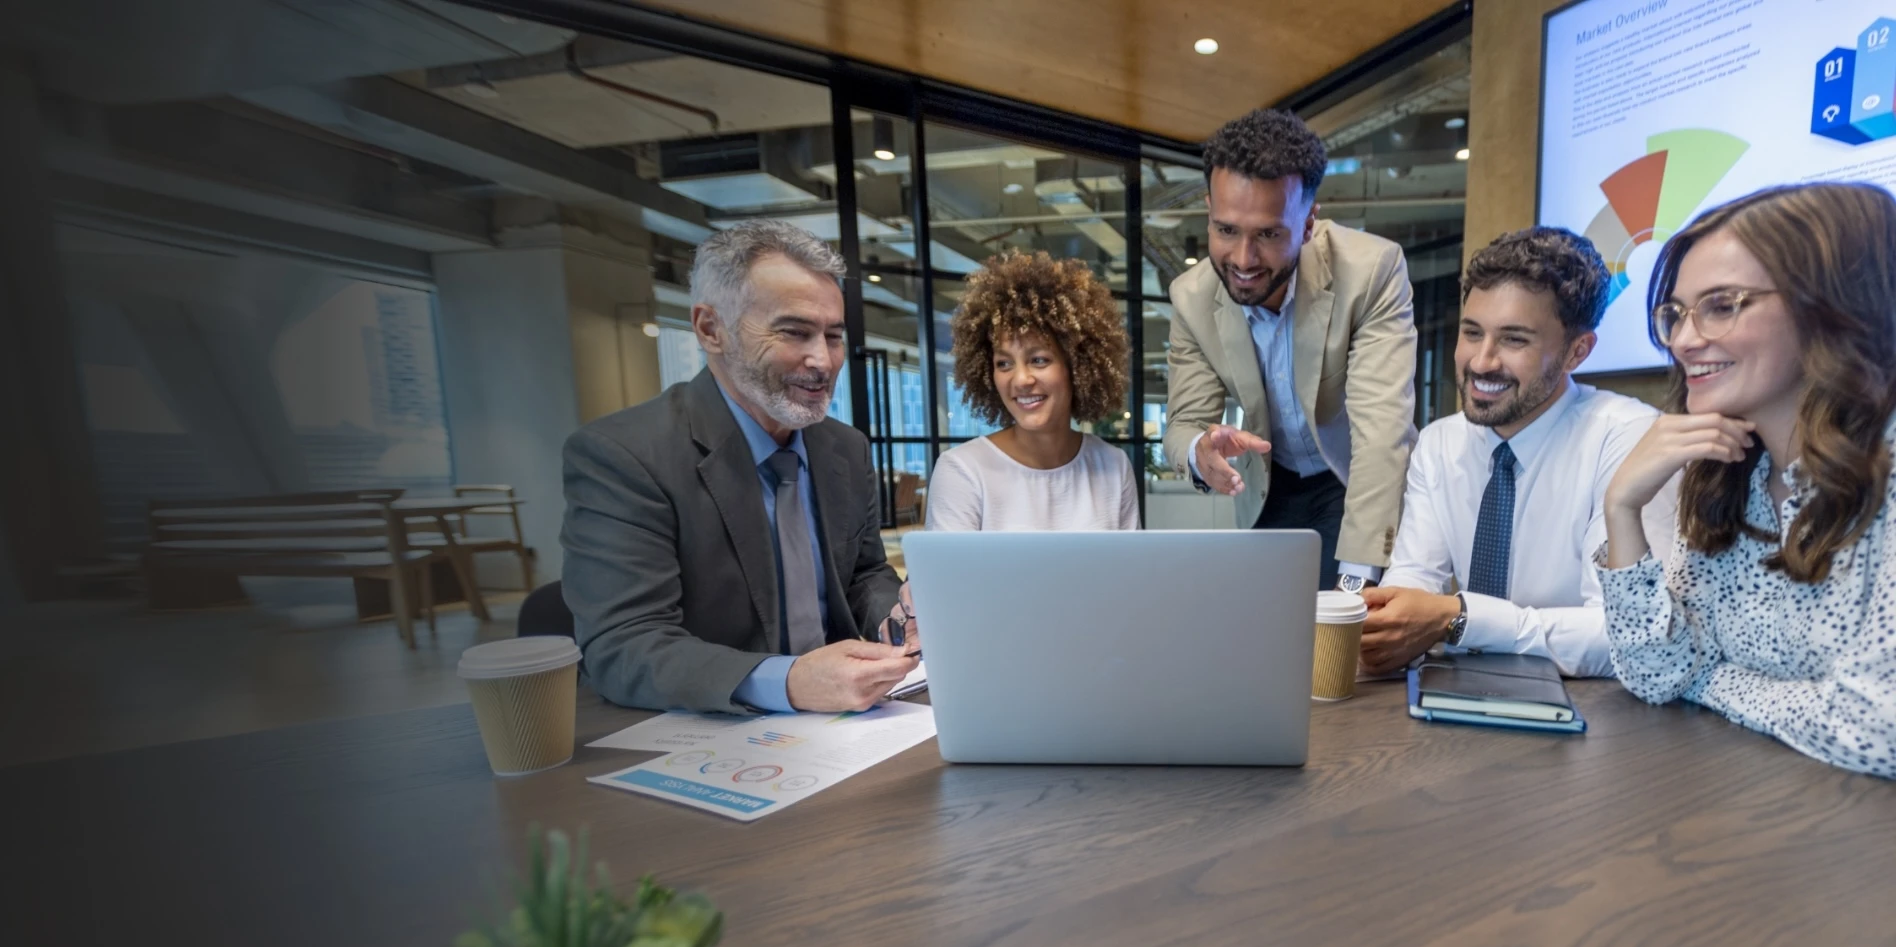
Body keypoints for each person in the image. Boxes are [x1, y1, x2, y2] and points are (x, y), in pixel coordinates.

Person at [1599, 182, 1896, 778]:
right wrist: (1622, 508)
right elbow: (1657, 673)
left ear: (1832, 305)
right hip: (1757, 812)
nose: (1683, 340)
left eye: (1722, 304)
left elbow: (1877, 728)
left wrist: (1711, 679)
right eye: (1677, 313)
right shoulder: (1730, 470)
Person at [560, 219, 916, 715]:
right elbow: (623, 647)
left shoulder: (844, 448)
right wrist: (787, 682)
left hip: (848, 725)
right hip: (713, 734)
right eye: (794, 332)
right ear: (711, 329)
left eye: (833, 336)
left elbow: (863, 574)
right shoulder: (624, 456)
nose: (823, 360)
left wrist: (895, 616)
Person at [1362, 227, 1675, 677]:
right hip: (1452, 699)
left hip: (1591, 716)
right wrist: (1387, 620)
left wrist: (1460, 619)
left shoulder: (1628, 439)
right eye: (1472, 332)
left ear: (1576, 352)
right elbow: (1415, 580)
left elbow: (1623, 633)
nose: (1482, 361)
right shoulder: (1439, 443)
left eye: (1514, 340)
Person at [1163, 109, 1418, 591]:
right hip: (1268, 485)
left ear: (1307, 224)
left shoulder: (1373, 271)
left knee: (1341, 645)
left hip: (1352, 478)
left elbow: (1382, 435)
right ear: (1209, 211)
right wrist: (1199, 451)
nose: (1242, 260)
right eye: (1226, 230)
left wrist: (1356, 587)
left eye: (1268, 234)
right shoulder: (1190, 297)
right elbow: (1183, 426)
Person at [925, 251, 1139, 531]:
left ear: (1077, 366)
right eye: (1004, 363)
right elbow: (948, 576)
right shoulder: (963, 471)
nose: (1021, 379)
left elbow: (1130, 573)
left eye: (1039, 360)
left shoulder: (1114, 466)